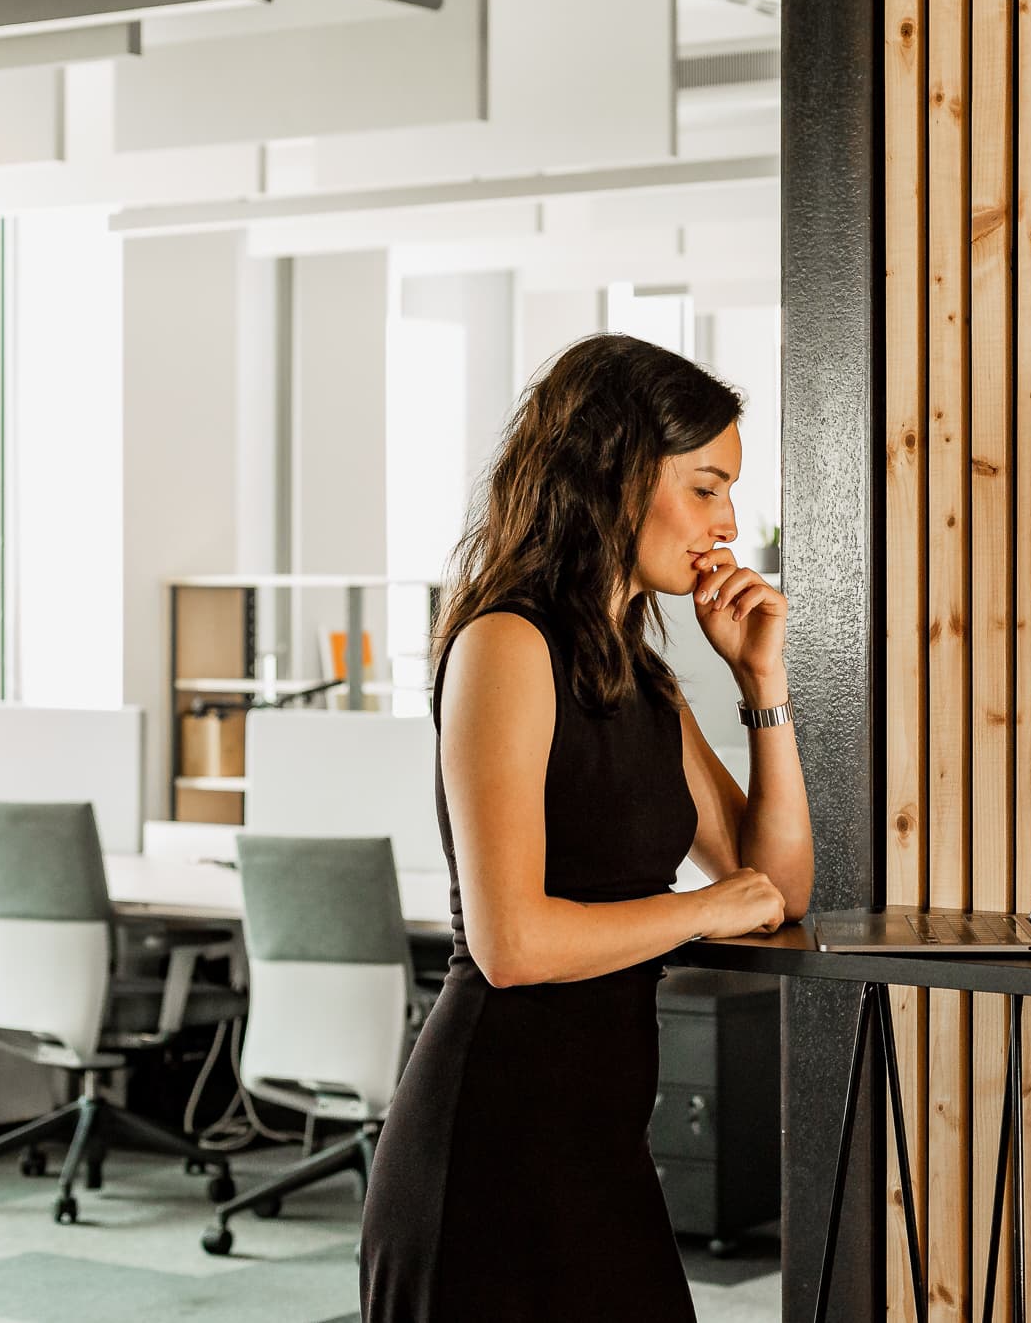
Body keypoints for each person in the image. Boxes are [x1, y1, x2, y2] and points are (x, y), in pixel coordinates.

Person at [359, 333, 813, 1322]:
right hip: (488, 1152)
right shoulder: (505, 643)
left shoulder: (638, 673)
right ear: (613, 470)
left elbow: (771, 889)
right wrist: (694, 913)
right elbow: (512, 945)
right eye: (704, 486)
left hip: (595, 1149)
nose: (727, 521)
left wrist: (761, 686)